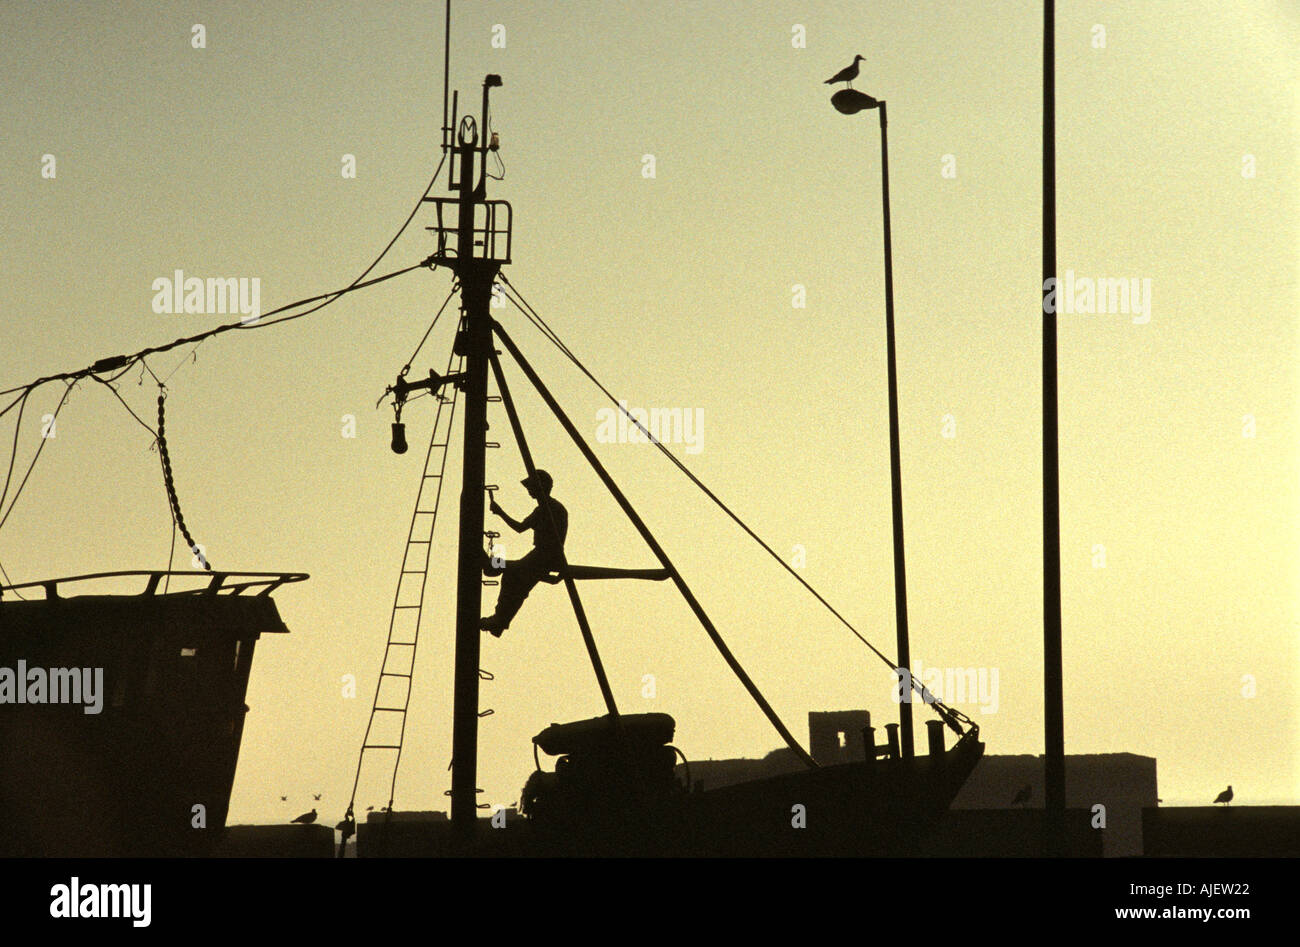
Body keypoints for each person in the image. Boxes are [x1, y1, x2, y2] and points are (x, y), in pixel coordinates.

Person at [480, 469, 568, 637]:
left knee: (505, 569)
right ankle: (500, 621)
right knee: (514, 582)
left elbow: (519, 528)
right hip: (543, 556)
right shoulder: (550, 507)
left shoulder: (547, 509)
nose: (529, 492)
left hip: (543, 556)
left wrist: (499, 512)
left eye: (531, 488)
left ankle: (499, 619)